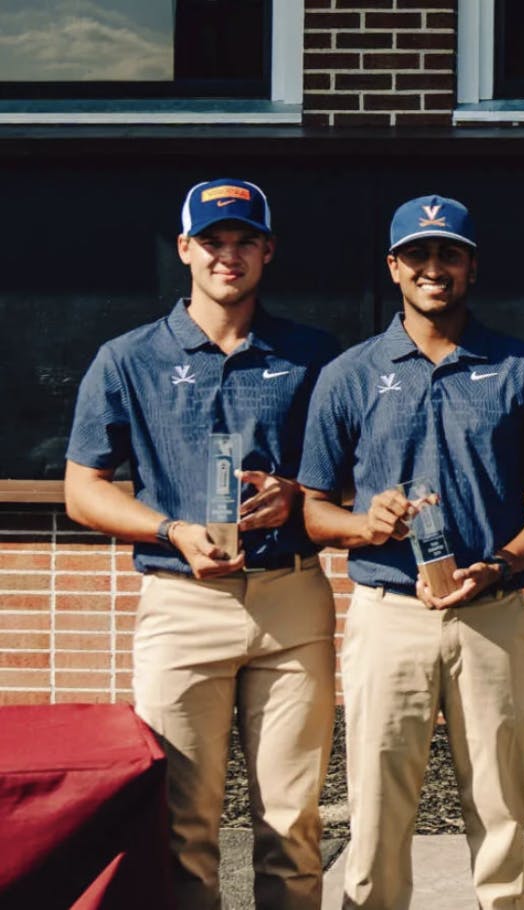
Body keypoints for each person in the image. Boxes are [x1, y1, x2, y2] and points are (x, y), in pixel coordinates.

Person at [63, 179, 339, 910]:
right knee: (184, 824)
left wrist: (300, 497)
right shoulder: (128, 358)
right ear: (184, 250)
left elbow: (354, 479)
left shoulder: (313, 354)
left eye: (244, 240)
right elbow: (83, 489)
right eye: (212, 241)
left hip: (291, 601)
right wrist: (170, 529)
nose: (228, 255)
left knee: (292, 822)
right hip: (182, 604)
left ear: (268, 250)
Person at [299, 195, 524, 910]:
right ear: (393, 267)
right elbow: (313, 511)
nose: (433, 268)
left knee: (500, 810)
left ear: (471, 267)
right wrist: (367, 524)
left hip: (491, 612)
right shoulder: (350, 374)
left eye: (448, 254)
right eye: (417, 255)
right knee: (376, 816)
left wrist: (504, 564)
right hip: (389, 612)